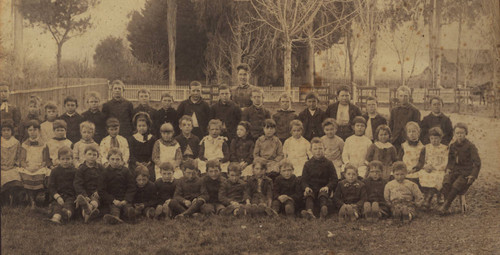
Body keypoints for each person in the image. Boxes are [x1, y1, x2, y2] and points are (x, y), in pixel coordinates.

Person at [439, 123, 481, 215]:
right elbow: (450, 161)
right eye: (457, 133)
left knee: (457, 185)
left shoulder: (470, 146)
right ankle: (447, 207)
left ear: (466, 133)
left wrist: (473, 175)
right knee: (446, 181)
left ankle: (446, 205)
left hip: (466, 171)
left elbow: (477, 163)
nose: (459, 135)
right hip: (455, 170)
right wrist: (449, 169)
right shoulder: (453, 146)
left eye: (462, 133)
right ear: (454, 133)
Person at [407, 127, 448, 209]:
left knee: (437, 177)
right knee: (422, 175)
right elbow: (421, 161)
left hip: (439, 169)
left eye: (436, 139)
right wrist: (425, 167)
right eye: (432, 138)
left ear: (440, 138)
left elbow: (446, 161)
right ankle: (426, 196)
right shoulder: (426, 147)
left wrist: (437, 168)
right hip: (427, 169)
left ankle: (428, 199)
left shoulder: (444, 148)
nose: (434, 140)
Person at [301, 138, 338, 219]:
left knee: (323, 195)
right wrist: (306, 187)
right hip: (312, 188)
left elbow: (334, 179)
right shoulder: (307, 164)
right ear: (311, 150)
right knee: (309, 195)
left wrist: (328, 186)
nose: (318, 151)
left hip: (323, 187)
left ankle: (323, 211)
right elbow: (303, 179)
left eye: (320, 148)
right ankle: (309, 212)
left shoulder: (328, 163)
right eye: (315, 149)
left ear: (324, 149)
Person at [18, 120, 51, 209]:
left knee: (43, 175)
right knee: (26, 175)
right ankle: (31, 200)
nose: (32, 132)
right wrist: (27, 167)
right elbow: (22, 159)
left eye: (35, 130)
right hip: (28, 166)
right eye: (30, 130)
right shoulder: (24, 144)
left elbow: (45, 159)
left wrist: (38, 167)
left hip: (39, 166)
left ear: (39, 131)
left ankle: (35, 198)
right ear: (27, 131)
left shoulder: (44, 144)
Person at [99, 148, 137, 225]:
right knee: (114, 210)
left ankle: (131, 215)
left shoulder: (126, 171)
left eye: (117, 159)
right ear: (108, 160)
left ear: (121, 160)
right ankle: (115, 218)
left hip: (124, 199)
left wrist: (126, 200)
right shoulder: (105, 173)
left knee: (128, 208)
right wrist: (113, 200)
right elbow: (101, 190)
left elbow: (132, 187)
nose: (115, 162)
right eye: (112, 159)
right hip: (113, 200)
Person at [47, 147, 76, 224]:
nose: (65, 161)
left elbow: (77, 185)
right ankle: (56, 218)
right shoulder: (55, 171)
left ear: (72, 159)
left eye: (68, 159)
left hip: (71, 196)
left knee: (69, 205)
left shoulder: (75, 171)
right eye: (63, 159)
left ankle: (67, 214)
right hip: (59, 195)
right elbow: (51, 186)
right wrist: (57, 196)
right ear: (59, 160)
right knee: (57, 205)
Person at [73, 144, 101, 223]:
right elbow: (77, 184)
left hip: (96, 192)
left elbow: (104, 182)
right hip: (84, 192)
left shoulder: (100, 168)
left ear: (97, 156)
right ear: (84, 155)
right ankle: (88, 212)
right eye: (89, 154)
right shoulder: (81, 169)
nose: (92, 156)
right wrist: (84, 195)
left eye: (94, 155)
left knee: (96, 199)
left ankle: (89, 210)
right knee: (83, 202)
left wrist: (98, 191)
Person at [389, 85, 421, 151]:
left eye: (405, 96)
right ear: (398, 97)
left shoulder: (414, 111)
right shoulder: (394, 110)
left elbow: (417, 129)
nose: (403, 98)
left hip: (408, 140)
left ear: (409, 96)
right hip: (395, 140)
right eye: (401, 96)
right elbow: (391, 126)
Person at [1, 120, 23, 205]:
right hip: (2, 167)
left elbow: (18, 156)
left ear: (12, 132)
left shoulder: (16, 143)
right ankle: (4, 198)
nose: (6, 132)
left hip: (12, 167)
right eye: (4, 130)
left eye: (8, 130)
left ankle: (14, 198)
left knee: (15, 177)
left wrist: (14, 165)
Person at [128, 112, 156, 180]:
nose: (141, 128)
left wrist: (148, 162)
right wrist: (138, 163)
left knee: (150, 173)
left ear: (148, 126)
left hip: (149, 163)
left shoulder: (152, 138)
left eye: (144, 126)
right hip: (136, 163)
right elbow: (131, 155)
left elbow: (154, 153)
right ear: (136, 126)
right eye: (139, 126)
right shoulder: (132, 139)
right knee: (134, 174)